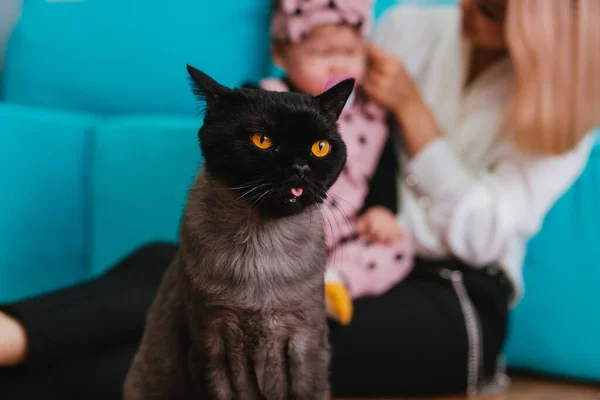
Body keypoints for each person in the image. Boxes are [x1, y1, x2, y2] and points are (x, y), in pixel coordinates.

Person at [1, 0, 599, 398]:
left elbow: (483, 238)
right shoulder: (416, 24)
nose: (467, 12)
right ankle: (11, 335)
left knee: (229, 355)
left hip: (451, 293)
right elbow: (323, 111)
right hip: (333, 247)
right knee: (175, 268)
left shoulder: (576, 106)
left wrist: (415, 113)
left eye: (491, 12)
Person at [251, 0, 414, 326]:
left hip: (343, 231)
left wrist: (381, 209)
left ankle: (335, 283)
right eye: (322, 54)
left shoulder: (372, 115)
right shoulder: (270, 100)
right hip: (284, 224)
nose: (338, 66)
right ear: (282, 55)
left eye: (351, 54)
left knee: (398, 246)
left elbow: (384, 167)